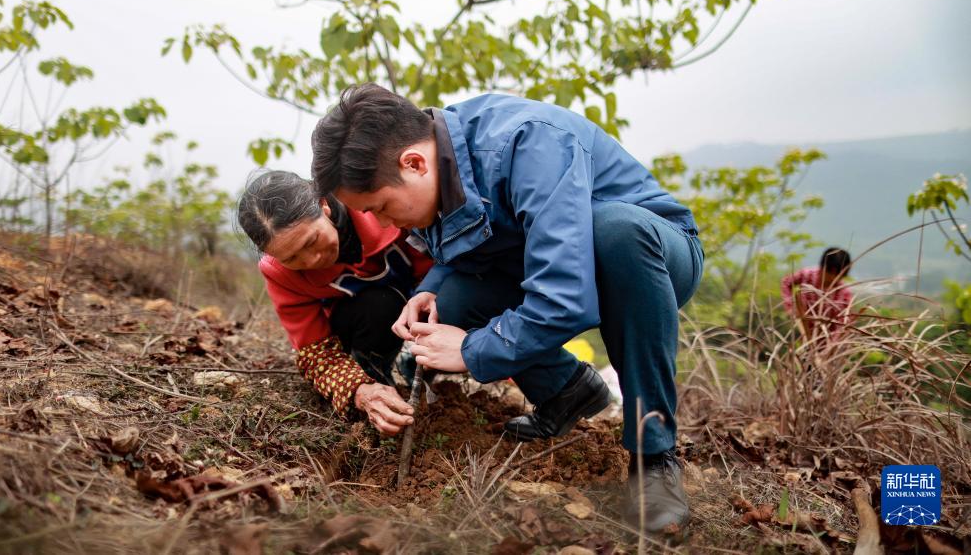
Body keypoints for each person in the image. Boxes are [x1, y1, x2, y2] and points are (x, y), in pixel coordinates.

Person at [310, 83, 704, 534]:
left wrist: (472, 351)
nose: (381, 223)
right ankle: (566, 390)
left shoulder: (529, 142)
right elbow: (481, 240)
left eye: (380, 207)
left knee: (614, 231)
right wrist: (432, 288)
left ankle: (653, 456)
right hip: (552, 262)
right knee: (450, 305)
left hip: (651, 256)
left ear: (413, 163)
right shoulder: (438, 156)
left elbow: (564, 296)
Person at [237, 170, 432, 435]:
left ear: (323, 205)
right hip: (368, 322)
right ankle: (375, 376)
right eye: (292, 258)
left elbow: (445, 259)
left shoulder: (378, 204)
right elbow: (315, 354)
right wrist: (359, 390)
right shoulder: (279, 273)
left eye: (312, 241)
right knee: (378, 304)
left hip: (431, 300)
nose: (311, 260)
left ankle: (420, 364)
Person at [781, 247, 854, 342]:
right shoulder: (807, 276)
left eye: (838, 274)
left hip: (827, 342)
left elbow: (844, 324)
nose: (833, 277)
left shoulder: (844, 294)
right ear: (822, 266)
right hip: (801, 333)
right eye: (830, 272)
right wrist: (790, 307)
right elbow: (786, 282)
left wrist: (831, 347)